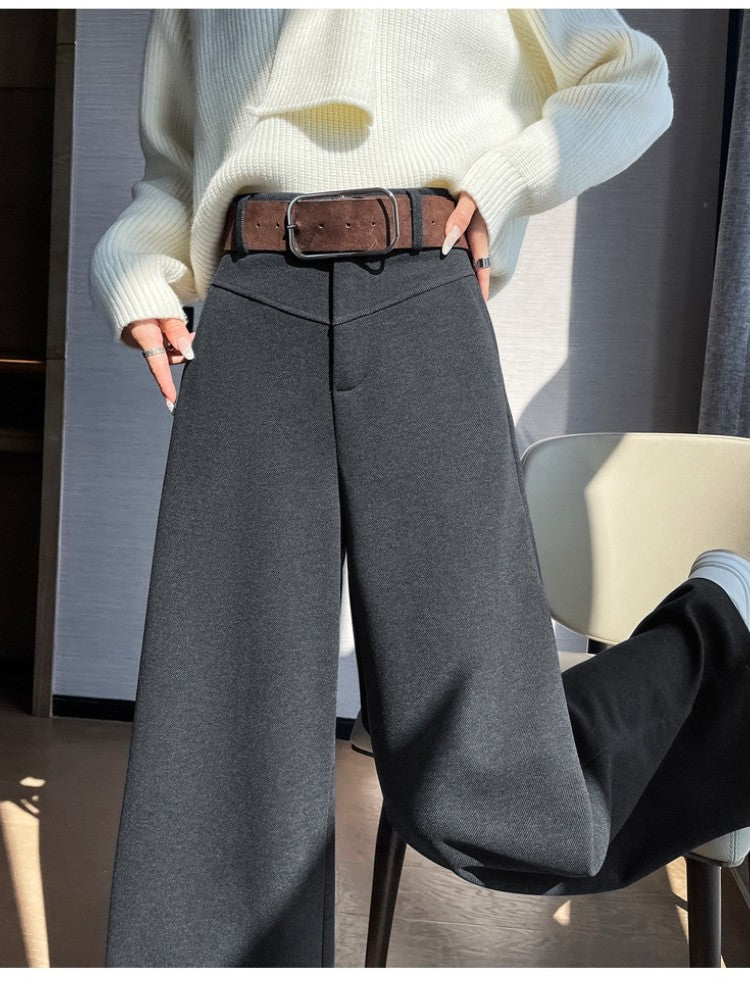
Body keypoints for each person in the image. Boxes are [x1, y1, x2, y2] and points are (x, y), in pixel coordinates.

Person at [89, 9, 750, 969]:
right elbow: (178, 165)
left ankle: (719, 633)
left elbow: (631, 78)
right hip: (249, 308)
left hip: (422, 293)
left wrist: (509, 178)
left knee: (481, 767)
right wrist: (134, 264)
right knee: (214, 755)